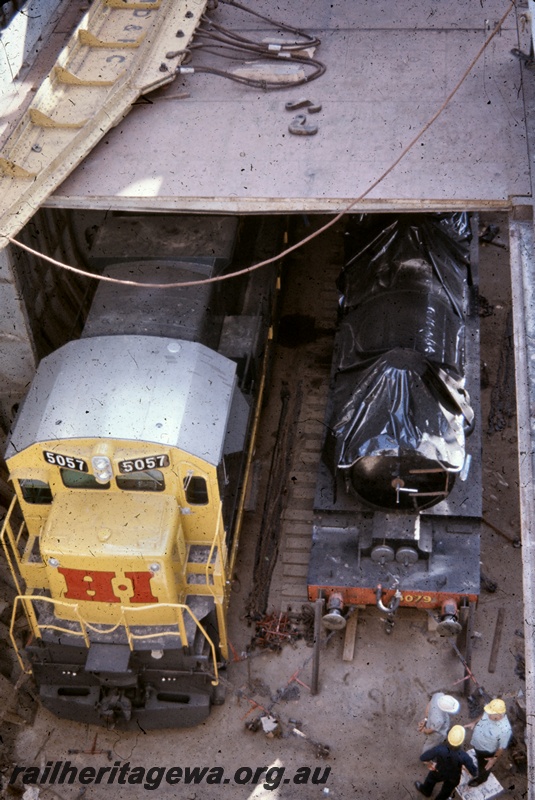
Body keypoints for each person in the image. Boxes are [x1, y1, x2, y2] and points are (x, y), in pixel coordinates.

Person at [415, 725, 477, 800]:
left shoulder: (439, 749)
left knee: (430, 780)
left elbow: (423, 757)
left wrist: (431, 764)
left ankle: (426, 791)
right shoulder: (465, 757)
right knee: (446, 791)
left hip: (438, 771)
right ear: (461, 742)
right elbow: (474, 772)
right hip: (453, 777)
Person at [465, 698, 512, 787]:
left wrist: (494, 759)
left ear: (499, 715)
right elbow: (482, 715)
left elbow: (501, 747)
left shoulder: (505, 729)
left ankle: (481, 779)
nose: (488, 715)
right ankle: (478, 757)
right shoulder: (490, 712)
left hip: (486, 751)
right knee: (479, 758)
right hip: (477, 744)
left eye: (491, 714)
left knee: (484, 767)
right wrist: (474, 723)